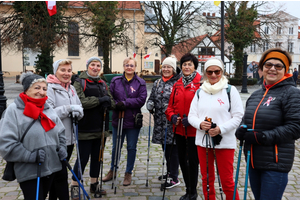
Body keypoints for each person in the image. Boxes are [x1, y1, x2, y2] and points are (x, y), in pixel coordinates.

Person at [235, 48, 300, 200]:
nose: (272, 68)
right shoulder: (256, 94)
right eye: (268, 64)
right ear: (262, 68)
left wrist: (261, 137)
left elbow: (295, 128)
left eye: (278, 66)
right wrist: (241, 129)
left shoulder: (292, 93)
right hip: (253, 160)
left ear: (285, 70)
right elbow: (248, 119)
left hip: (275, 163)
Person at [0, 72, 67, 200]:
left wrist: (62, 147)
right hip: (29, 170)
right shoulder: (13, 110)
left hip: (51, 167)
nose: (41, 92)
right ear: (26, 89)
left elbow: (60, 132)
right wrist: (30, 156)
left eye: (44, 89)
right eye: (37, 88)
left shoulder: (47, 108)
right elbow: (6, 143)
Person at [188, 58, 244, 200]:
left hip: (224, 141)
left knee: (227, 181)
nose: (213, 75)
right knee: (207, 180)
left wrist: (220, 129)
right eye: (210, 72)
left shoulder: (230, 91)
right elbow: (191, 116)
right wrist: (201, 124)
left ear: (222, 72)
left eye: (217, 71)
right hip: (203, 141)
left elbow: (238, 116)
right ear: (205, 73)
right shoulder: (200, 92)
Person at [70, 57, 115, 200]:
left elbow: (110, 100)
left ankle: (94, 184)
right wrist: (99, 101)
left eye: (98, 66)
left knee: (98, 158)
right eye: (92, 65)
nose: (95, 68)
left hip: (100, 127)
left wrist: (110, 103)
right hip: (85, 127)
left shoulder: (103, 83)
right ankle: (75, 185)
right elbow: (80, 102)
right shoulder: (79, 82)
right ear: (87, 66)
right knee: (82, 158)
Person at [103, 57, 147, 186]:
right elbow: (110, 95)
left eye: (132, 65)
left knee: (131, 147)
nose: (129, 67)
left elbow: (141, 99)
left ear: (135, 67)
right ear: (123, 66)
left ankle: (128, 173)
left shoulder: (140, 82)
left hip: (133, 120)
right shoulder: (116, 81)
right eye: (127, 65)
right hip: (118, 118)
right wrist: (116, 104)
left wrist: (126, 102)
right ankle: (113, 170)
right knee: (116, 147)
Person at [165, 53, 202, 200]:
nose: (187, 67)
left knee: (192, 161)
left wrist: (194, 120)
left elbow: (205, 108)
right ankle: (188, 190)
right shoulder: (178, 83)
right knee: (182, 160)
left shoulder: (201, 84)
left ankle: (193, 191)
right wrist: (172, 116)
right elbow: (170, 107)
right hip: (179, 129)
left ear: (195, 67)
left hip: (194, 131)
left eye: (190, 64)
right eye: (185, 64)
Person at [46, 59, 84, 200]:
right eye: (63, 70)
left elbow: (80, 108)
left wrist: (78, 112)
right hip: (54, 138)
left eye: (69, 70)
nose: (66, 73)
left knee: (58, 173)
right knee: (60, 174)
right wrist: (69, 109)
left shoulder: (72, 88)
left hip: (69, 138)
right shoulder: (49, 88)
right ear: (55, 71)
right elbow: (48, 114)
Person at [146, 55, 181, 189]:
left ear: (173, 69)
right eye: (164, 66)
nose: (166, 69)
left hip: (172, 122)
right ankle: (170, 172)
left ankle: (174, 177)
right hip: (160, 121)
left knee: (173, 149)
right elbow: (152, 97)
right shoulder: (158, 82)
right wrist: (149, 103)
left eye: (169, 67)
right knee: (166, 148)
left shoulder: (178, 83)